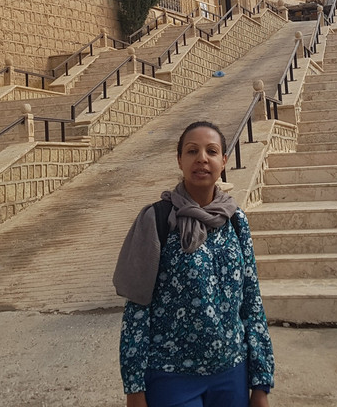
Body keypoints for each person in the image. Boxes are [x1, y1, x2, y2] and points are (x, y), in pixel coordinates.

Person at [114, 121, 274, 407]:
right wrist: (134, 387)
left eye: (211, 151)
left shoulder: (235, 221)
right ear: (179, 160)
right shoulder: (157, 220)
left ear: (223, 161)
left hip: (231, 373)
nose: (202, 158)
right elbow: (137, 308)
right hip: (170, 375)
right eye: (192, 151)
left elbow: (251, 302)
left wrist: (260, 382)